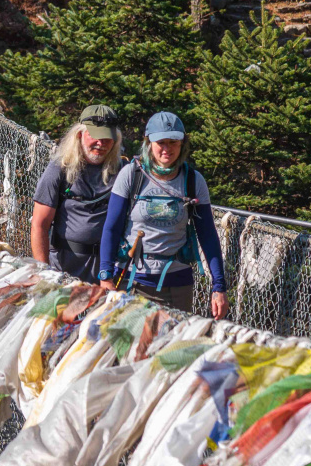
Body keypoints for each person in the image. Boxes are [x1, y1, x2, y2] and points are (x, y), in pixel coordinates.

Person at [98, 112, 228, 318]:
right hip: (132, 281)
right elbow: (111, 228)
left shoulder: (194, 181)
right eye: (161, 142)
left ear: (182, 144)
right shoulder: (131, 175)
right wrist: (105, 275)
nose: (167, 149)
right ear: (149, 143)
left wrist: (219, 285)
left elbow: (208, 235)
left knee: (173, 339)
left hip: (177, 285)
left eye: (173, 142)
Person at [30, 106, 123, 283]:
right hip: (64, 266)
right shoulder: (59, 169)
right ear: (79, 135)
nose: (101, 144)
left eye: (107, 139)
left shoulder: (123, 172)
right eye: (95, 136)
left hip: (108, 269)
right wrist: (44, 272)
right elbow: (39, 224)